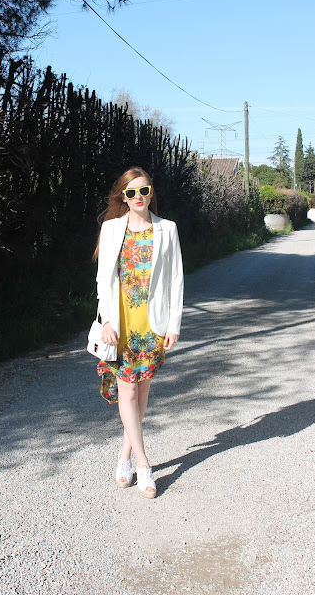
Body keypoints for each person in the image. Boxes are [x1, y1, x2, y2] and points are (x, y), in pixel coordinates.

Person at [93, 167, 184, 499]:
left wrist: (174, 325)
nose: (138, 197)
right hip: (120, 326)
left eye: (143, 191)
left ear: (151, 192)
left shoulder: (167, 229)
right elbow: (103, 279)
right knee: (128, 392)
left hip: (151, 325)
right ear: (123, 197)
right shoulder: (111, 228)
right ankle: (143, 465)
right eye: (131, 193)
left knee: (141, 395)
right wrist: (106, 321)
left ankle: (123, 457)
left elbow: (176, 279)